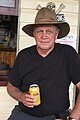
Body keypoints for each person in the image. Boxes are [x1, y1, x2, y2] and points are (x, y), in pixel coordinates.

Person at [7, 7, 80, 120]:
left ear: (56, 35)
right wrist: (21, 97)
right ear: (34, 35)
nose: (44, 36)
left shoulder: (68, 54)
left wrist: (73, 118)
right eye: (40, 31)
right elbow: (11, 87)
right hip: (24, 115)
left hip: (56, 116)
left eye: (49, 31)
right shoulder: (23, 55)